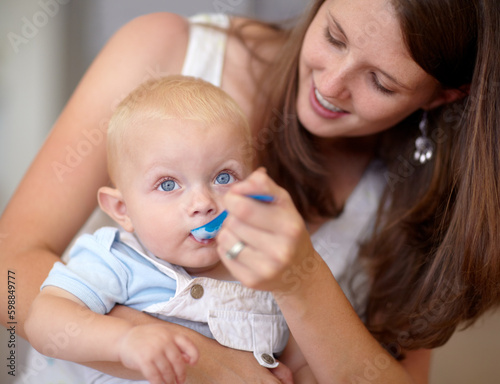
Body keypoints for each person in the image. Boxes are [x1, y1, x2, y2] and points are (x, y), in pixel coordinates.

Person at [1, 0, 499, 382]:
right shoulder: (169, 51)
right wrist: (209, 367)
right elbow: (7, 277)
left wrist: (303, 283)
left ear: (442, 95)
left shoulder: (420, 202)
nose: (330, 83)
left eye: (381, 82)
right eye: (334, 36)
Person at [23, 75, 293, 384]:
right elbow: (42, 322)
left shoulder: (264, 271)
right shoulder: (118, 259)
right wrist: (124, 340)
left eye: (223, 177)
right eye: (168, 184)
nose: (203, 203)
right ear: (122, 211)